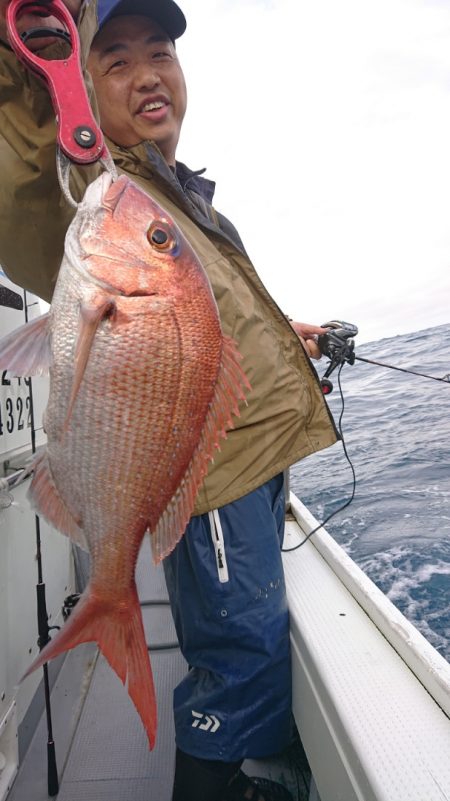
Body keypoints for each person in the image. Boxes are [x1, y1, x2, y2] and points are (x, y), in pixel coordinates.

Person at [0, 1, 338, 799]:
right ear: (76, 86)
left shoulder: (175, 196)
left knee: (249, 635)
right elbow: (18, 165)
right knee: (240, 652)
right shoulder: (86, 184)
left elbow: (201, 318)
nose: (149, 73)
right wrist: (31, 60)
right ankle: (214, 782)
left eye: (161, 53)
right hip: (210, 475)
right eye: (114, 60)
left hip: (249, 457)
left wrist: (290, 332)